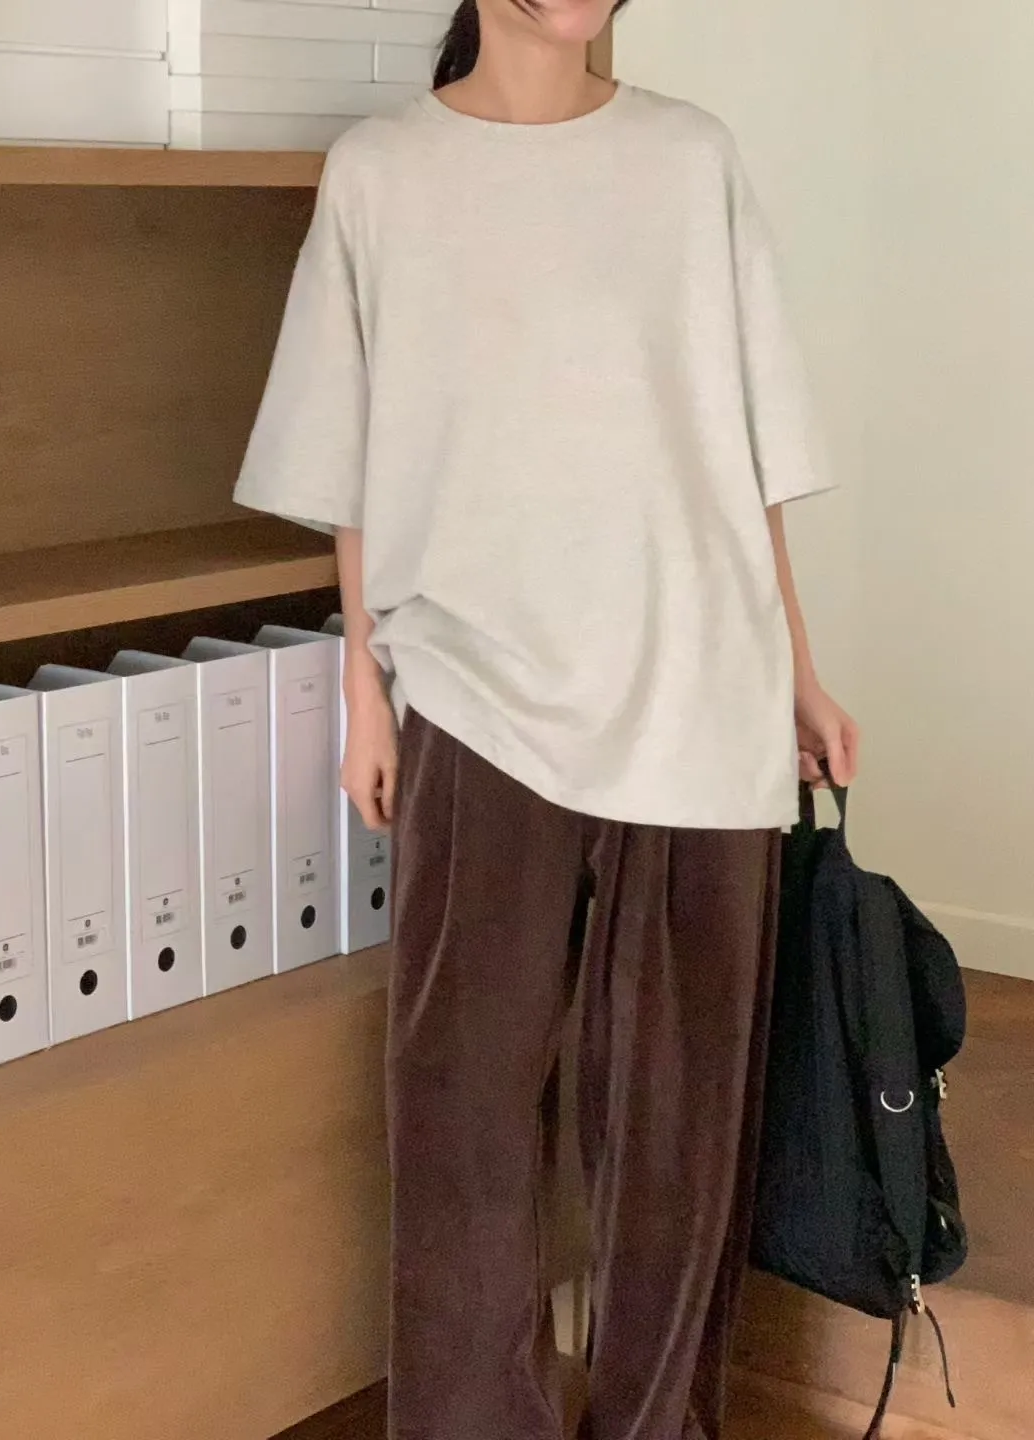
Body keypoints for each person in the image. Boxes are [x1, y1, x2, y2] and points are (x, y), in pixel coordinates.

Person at [235, 0, 859, 1434]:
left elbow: (748, 444)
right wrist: (365, 687)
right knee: (460, 1117)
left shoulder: (690, 158)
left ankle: (659, 1424)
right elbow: (349, 455)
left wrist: (796, 667)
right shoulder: (382, 172)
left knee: (677, 1134)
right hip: (474, 691)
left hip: (698, 688)